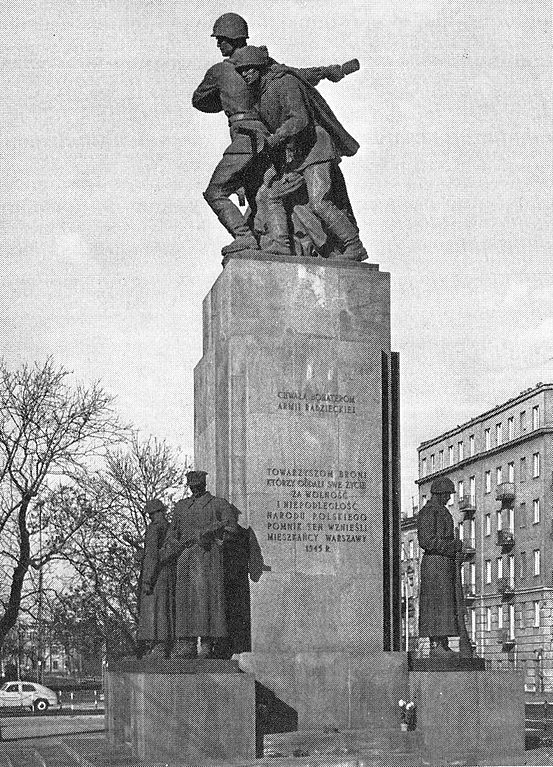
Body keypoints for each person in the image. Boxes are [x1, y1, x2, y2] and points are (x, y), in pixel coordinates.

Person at [193, 13, 352, 256]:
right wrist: (328, 71)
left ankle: (244, 237)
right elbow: (297, 73)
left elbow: (199, 100)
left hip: (252, 139)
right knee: (266, 195)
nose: (218, 45)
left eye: (220, 39)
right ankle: (279, 244)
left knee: (217, 191)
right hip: (269, 141)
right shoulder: (263, 64)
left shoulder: (222, 71)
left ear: (231, 39)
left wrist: (225, 97)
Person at [232, 46, 368, 261]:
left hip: (315, 149)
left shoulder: (284, 83)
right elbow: (308, 74)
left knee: (319, 202)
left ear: (259, 67)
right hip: (293, 156)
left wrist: (276, 138)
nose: (245, 74)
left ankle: (355, 246)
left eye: (249, 69)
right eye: (241, 71)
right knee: (269, 194)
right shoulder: (260, 92)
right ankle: (280, 246)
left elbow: (300, 119)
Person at [162, 470, 234, 658]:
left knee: (205, 600)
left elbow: (231, 529)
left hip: (207, 556)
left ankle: (207, 643)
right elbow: (172, 533)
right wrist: (175, 544)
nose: (194, 487)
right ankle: (187, 643)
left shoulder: (218, 504)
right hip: (185, 557)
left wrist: (213, 537)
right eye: (191, 485)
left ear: (204, 484)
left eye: (198, 484)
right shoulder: (181, 506)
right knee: (185, 600)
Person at [417, 477, 464, 657]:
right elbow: (426, 540)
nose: (449, 499)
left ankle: (443, 643)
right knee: (436, 604)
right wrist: (451, 546)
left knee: (446, 604)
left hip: (444, 563)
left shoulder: (443, 511)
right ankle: (436, 644)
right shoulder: (428, 512)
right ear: (440, 493)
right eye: (447, 495)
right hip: (435, 564)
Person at [212, 504, 265, 659]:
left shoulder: (246, 533)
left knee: (239, 615)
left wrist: (255, 571)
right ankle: (221, 648)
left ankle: (239, 647)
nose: (230, 519)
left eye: (232, 516)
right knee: (222, 615)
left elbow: (255, 555)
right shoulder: (218, 535)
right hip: (221, 580)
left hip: (239, 581)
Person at [136, 499, 173, 657]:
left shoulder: (154, 528)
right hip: (168, 574)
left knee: (155, 611)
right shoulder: (169, 527)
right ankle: (165, 647)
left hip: (156, 576)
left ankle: (159, 648)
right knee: (166, 609)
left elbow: (152, 556)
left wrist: (147, 581)